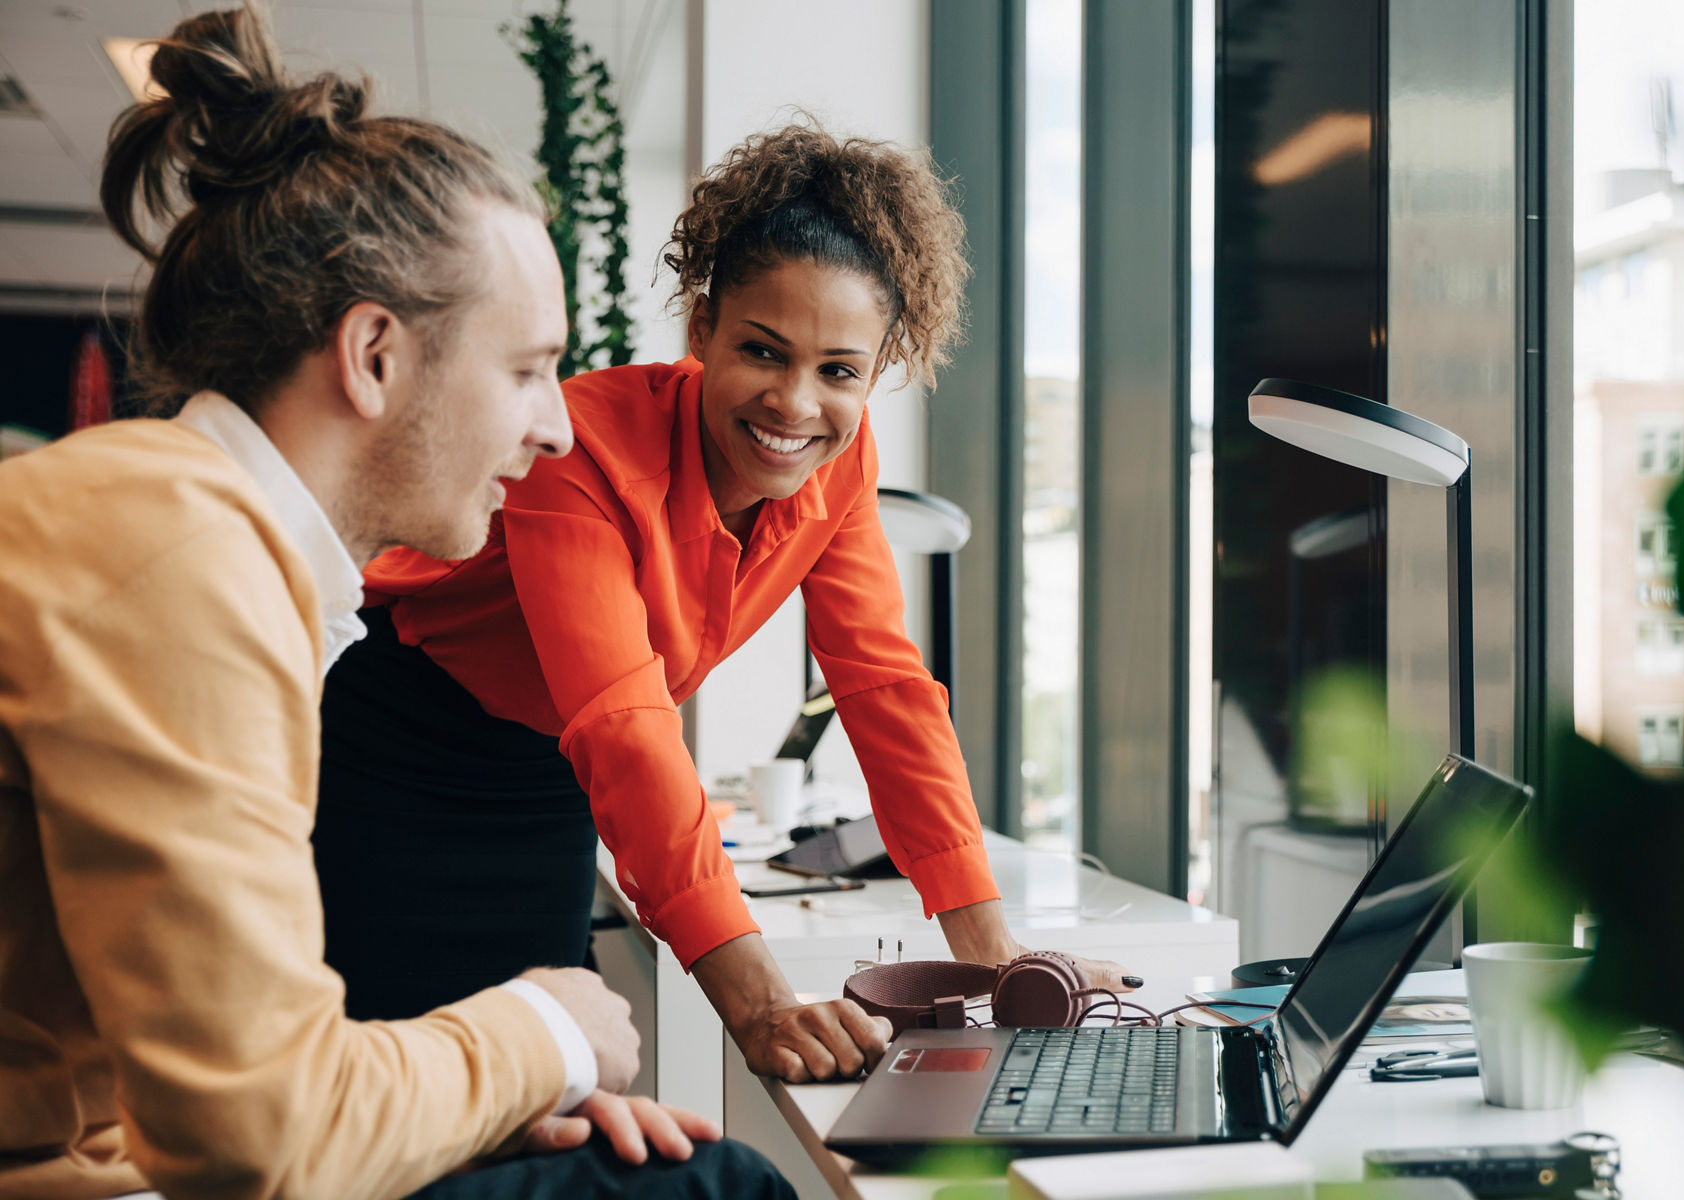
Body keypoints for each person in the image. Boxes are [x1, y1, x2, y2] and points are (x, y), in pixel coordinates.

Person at [0, 6, 792, 1199]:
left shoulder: (198, 534)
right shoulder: (177, 555)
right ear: (374, 357)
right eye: (526, 369)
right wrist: (547, 1030)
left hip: (110, 1156)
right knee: (713, 1187)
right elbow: (259, 1135)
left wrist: (476, 1102)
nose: (556, 426)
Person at [313, 121, 1137, 1082]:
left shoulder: (841, 462)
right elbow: (623, 722)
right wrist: (760, 1003)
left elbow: (883, 684)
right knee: (390, 1077)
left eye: (839, 371)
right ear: (702, 328)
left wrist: (997, 955)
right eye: (763, 351)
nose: (795, 404)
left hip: (547, 768)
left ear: (876, 372)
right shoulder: (578, 450)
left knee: (547, 1083)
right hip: (397, 737)